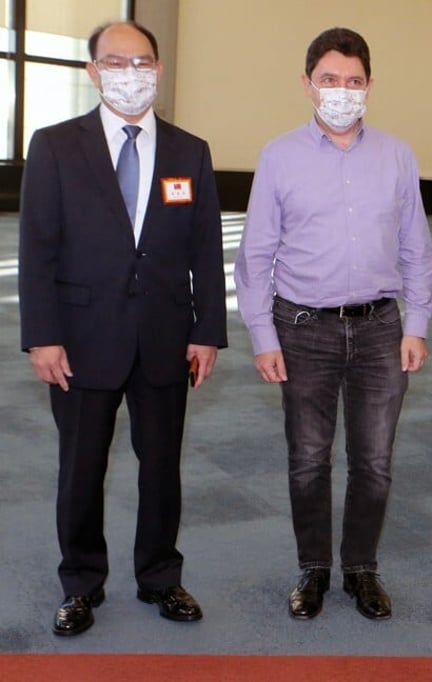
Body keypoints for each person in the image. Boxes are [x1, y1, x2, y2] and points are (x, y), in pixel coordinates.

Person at [18, 21, 226, 636]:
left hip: (166, 338)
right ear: (93, 72)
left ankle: (161, 576)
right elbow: (37, 249)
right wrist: (42, 335)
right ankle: (81, 583)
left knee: (162, 466)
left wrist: (207, 329)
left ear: (158, 70)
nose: (130, 73)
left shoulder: (191, 150)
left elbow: (205, 249)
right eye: (115, 62)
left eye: (141, 62)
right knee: (81, 467)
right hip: (80, 340)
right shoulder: (55, 145)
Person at [234, 27, 432, 623]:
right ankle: (314, 567)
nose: (341, 92)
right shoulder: (279, 156)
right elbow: (255, 255)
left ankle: (362, 569)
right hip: (301, 330)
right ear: (307, 85)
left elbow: (417, 248)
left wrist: (416, 323)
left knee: (374, 461)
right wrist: (262, 336)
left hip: (379, 329)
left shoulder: (397, 155)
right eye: (329, 80)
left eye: (353, 81)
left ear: (369, 86)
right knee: (309, 458)